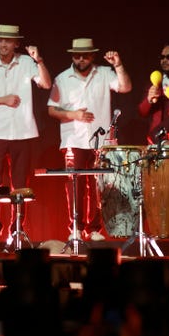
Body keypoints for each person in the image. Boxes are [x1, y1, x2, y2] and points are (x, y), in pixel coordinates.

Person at [0, 24, 51, 242]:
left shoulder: (26, 62)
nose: (3, 44)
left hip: (23, 131)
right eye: (0, 40)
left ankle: (16, 229)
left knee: (20, 183)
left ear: (16, 43)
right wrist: (2, 99)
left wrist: (39, 60)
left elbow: (45, 83)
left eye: (8, 41)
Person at [47, 38, 131, 241]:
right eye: (77, 55)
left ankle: (94, 229)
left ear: (92, 55)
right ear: (72, 56)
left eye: (85, 55)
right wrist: (73, 114)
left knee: (97, 185)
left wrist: (118, 65)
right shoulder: (62, 78)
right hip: (73, 139)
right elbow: (51, 109)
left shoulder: (104, 73)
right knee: (74, 184)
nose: (81, 59)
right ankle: (75, 227)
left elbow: (125, 87)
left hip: (99, 140)